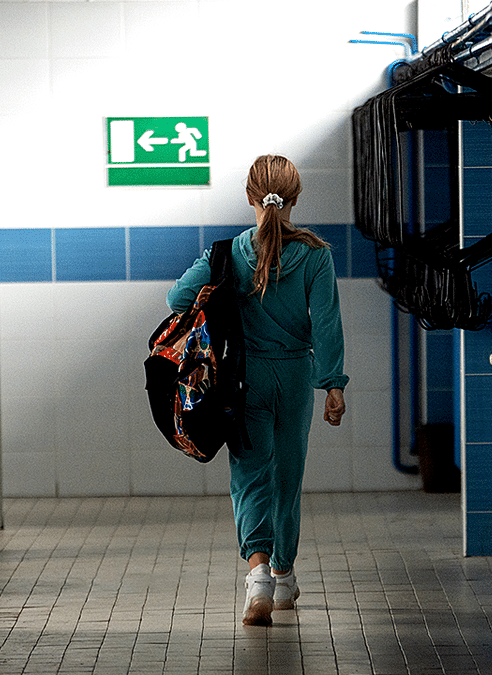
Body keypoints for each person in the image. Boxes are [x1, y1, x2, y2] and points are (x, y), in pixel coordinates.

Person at [168, 154, 348, 626]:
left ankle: (258, 580)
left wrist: (216, 295)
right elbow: (326, 323)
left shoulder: (227, 253)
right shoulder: (315, 254)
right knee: (288, 475)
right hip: (293, 377)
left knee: (250, 475)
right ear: (295, 198)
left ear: (251, 198)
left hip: (242, 380)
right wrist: (332, 384)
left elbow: (176, 300)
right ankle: (285, 575)